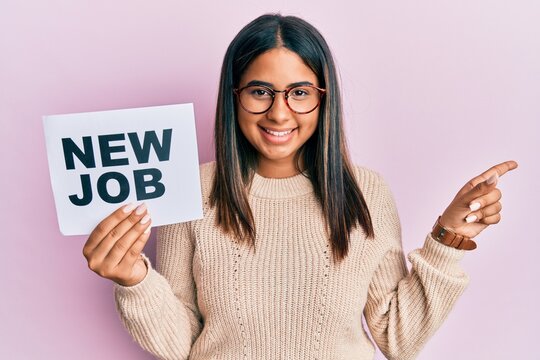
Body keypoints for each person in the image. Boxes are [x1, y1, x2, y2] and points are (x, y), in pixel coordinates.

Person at [82, 14, 518, 360]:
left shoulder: (366, 191)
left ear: (323, 98)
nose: (279, 113)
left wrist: (449, 239)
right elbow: (183, 344)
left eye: (300, 92)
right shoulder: (191, 190)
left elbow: (398, 339)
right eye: (260, 92)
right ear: (234, 95)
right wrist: (134, 280)